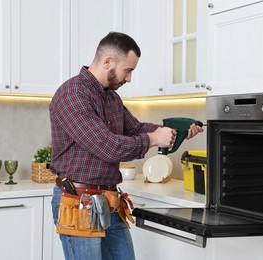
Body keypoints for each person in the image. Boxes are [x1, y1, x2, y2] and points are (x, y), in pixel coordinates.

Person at [49, 31, 203, 260]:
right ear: (108, 62)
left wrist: (171, 131)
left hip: (110, 201)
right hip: (79, 203)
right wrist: (154, 139)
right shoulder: (72, 94)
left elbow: (135, 129)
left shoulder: (111, 98)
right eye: (128, 70)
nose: (129, 78)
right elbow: (106, 146)